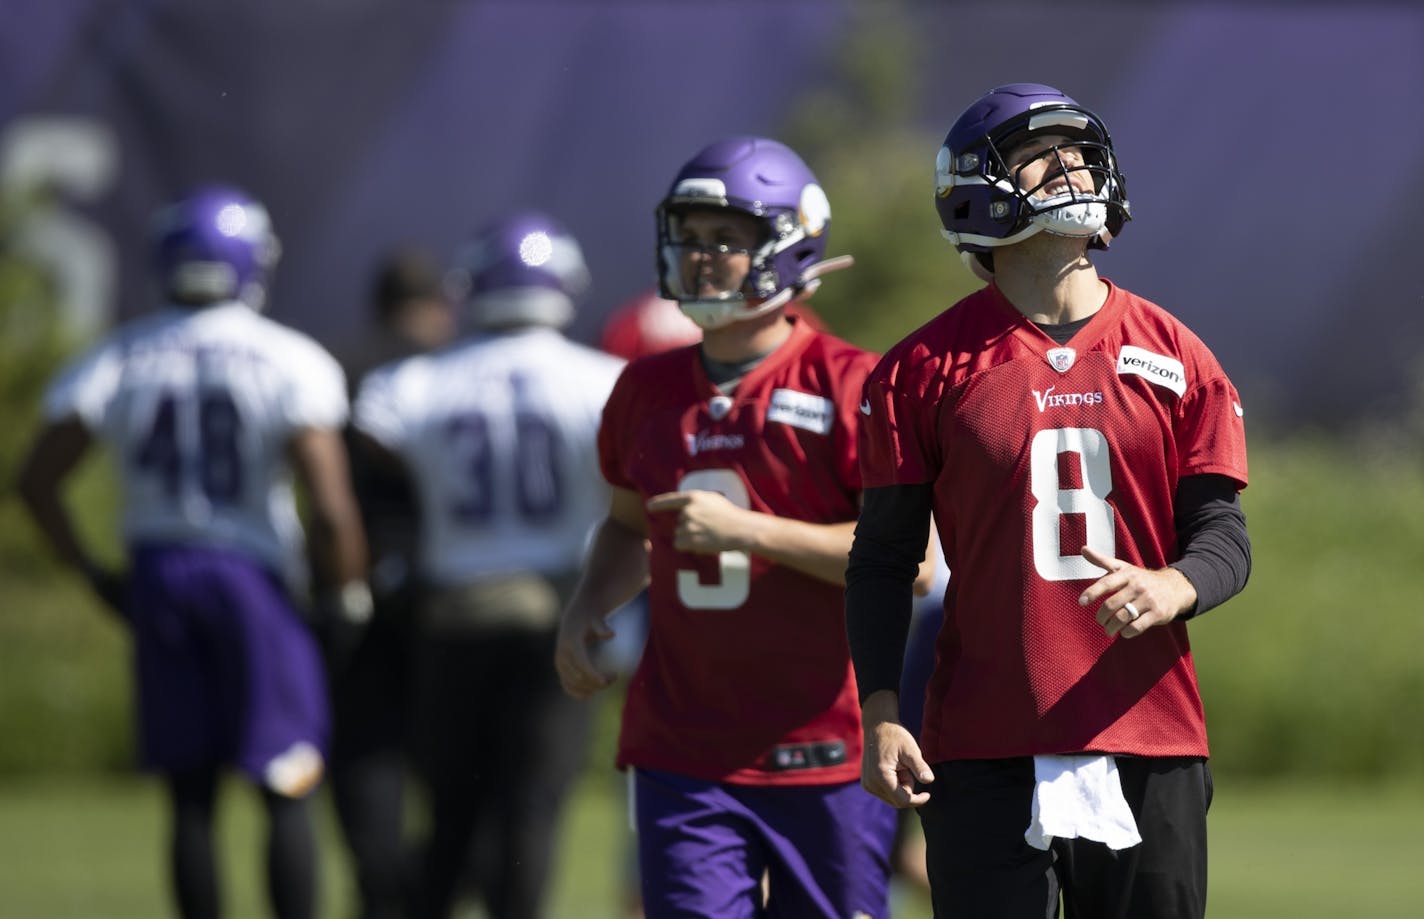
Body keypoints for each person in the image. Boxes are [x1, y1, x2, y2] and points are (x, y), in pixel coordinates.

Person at [846, 82, 1253, 919]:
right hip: (986, 736)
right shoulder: (919, 371)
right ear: (977, 192)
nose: (1070, 166)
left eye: (1078, 149)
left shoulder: (1178, 353)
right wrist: (881, 711)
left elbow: (1222, 534)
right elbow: (883, 558)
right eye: (1039, 153)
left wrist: (1173, 585)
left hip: (1149, 730)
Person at [555, 135, 898, 919]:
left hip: (828, 746)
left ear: (787, 244)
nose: (700, 257)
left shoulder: (852, 383)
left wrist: (752, 532)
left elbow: (908, 563)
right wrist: (587, 606)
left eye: (726, 240)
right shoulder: (643, 388)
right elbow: (624, 527)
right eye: (690, 236)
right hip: (686, 745)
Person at [16, 183, 369, 919]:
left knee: (190, 795)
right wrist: (346, 594)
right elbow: (331, 509)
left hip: (159, 569)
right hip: (253, 577)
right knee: (287, 776)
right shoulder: (287, 357)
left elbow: (37, 480)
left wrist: (92, 574)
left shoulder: (121, 353)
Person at [351, 209, 624, 919]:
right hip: (559, 610)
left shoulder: (410, 383)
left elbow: (377, 447)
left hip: (453, 612)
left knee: (450, 811)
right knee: (531, 808)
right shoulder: (605, 382)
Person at [326, 247, 456, 919]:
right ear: (437, 304)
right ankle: (431, 890)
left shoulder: (338, 366)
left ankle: (381, 890)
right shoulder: (454, 369)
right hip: (449, 582)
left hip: (358, 574)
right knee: (454, 757)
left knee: (365, 750)